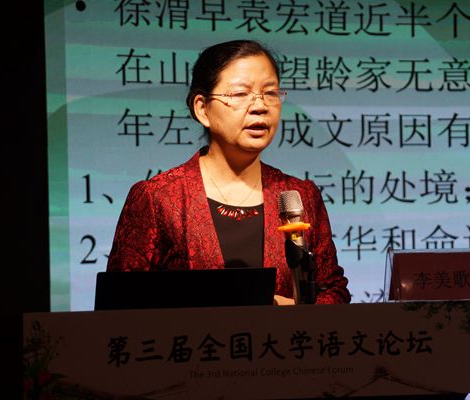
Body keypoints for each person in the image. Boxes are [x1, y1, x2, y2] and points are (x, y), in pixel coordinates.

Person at [106, 40, 350, 305]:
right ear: (202, 109)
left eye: (270, 93)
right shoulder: (158, 198)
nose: (260, 106)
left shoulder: (299, 196)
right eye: (240, 94)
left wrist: (292, 309)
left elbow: (334, 291)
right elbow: (121, 304)